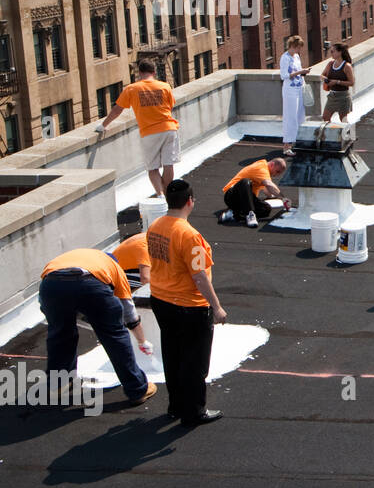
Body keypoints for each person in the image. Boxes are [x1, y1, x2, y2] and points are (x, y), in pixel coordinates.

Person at [146, 179, 226, 426]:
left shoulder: (155, 226)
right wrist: (217, 307)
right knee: (195, 361)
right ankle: (193, 412)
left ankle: (176, 405)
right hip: (189, 306)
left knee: (173, 354)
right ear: (190, 201)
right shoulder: (190, 236)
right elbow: (199, 275)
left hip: (161, 299)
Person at [39, 248, 156, 406]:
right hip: (90, 285)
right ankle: (137, 389)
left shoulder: (78, 256)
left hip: (51, 286)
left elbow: (45, 299)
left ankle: (58, 385)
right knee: (114, 336)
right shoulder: (114, 268)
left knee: (60, 335)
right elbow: (128, 311)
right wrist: (142, 340)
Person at [95, 59, 179, 198]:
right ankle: (168, 194)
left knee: (152, 168)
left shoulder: (132, 89)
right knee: (168, 164)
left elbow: (117, 110)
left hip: (149, 132)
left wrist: (103, 125)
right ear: (154, 72)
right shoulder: (165, 86)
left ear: (140, 73)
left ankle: (160, 195)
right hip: (169, 128)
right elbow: (170, 106)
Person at [220, 157, 293, 227]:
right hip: (232, 196)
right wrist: (283, 198)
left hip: (245, 200)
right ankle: (249, 214)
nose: (277, 175)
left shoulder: (264, 174)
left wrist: (274, 197)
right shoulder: (261, 168)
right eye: (277, 171)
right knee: (245, 182)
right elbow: (269, 185)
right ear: (272, 164)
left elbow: (268, 191)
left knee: (266, 209)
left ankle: (235, 214)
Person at [280, 35, 310, 157]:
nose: (299, 50)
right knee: (290, 116)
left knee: (299, 115)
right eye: (298, 47)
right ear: (293, 46)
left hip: (299, 87)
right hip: (290, 90)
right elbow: (284, 75)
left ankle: (295, 142)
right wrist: (300, 72)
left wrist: (303, 72)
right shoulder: (285, 58)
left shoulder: (296, 56)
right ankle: (286, 146)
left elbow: (298, 70)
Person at [321, 43, 355, 123]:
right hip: (332, 95)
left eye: (333, 51)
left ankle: (348, 134)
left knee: (343, 118)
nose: (331, 53)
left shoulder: (347, 66)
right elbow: (322, 75)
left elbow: (351, 82)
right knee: (325, 117)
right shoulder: (330, 64)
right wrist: (325, 79)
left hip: (343, 96)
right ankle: (331, 133)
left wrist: (337, 82)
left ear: (340, 52)